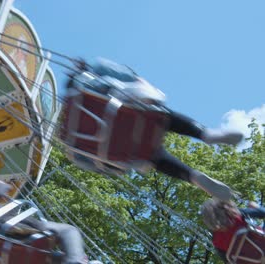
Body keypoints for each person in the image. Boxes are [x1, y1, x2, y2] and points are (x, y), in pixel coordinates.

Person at [66, 58, 243, 201]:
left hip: (117, 149)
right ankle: (207, 134)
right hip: (127, 110)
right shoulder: (94, 71)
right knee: (161, 115)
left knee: (153, 157)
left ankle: (193, 177)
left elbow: (90, 164)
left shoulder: (67, 133)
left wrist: (118, 168)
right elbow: (129, 76)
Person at [0, 180, 102, 264]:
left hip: (4, 254)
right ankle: (75, 260)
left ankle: (72, 260)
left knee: (49, 256)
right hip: (9, 235)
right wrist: (2, 184)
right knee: (68, 230)